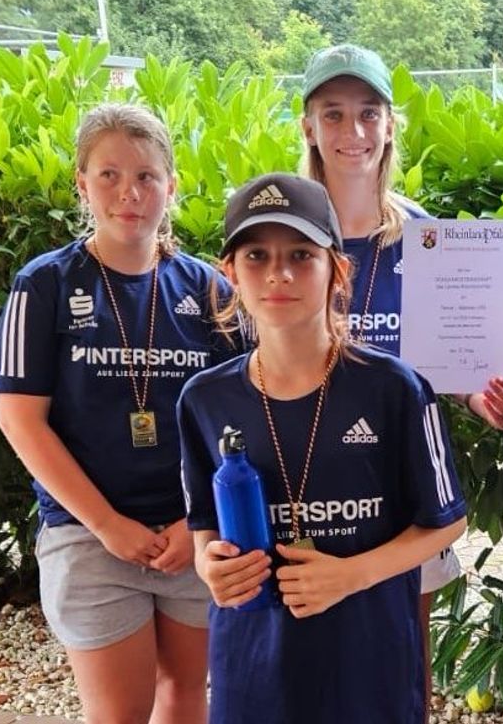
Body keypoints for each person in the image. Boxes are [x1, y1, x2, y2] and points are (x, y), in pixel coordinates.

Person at [178, 172, 467, 723]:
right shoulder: (204, 399)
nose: (279, 273)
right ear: (229, 272)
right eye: (257, 256)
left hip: (368, 662)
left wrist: (351, 574)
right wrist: (210, 566)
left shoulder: (395, 388)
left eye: (301, 255)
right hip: (253, 666)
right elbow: (204, 529)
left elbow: (446, 520)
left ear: (337, 269)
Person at [0, 103, 240, 723]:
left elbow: (245, 414)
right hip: (89, 534)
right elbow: (19, 419)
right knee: (119, 713)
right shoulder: (42, 285)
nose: (129, 193)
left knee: (187, 695)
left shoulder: (211, 290)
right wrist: (106, 524)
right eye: (109, 175)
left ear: (171, 186)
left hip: (191, 533)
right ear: (82, 183)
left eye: (146, 176)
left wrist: (196, 523)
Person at [298, 44, 503, 713]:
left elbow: (450, 361)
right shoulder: (289, 235)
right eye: (334, 114)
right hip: (305, 476)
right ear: (309, 127)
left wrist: (481, 396)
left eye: (369, 113)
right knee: (304, 659)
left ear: (390, 124)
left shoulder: (427, 239)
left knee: (404, 663)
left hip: (402, 483)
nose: (353, 131)